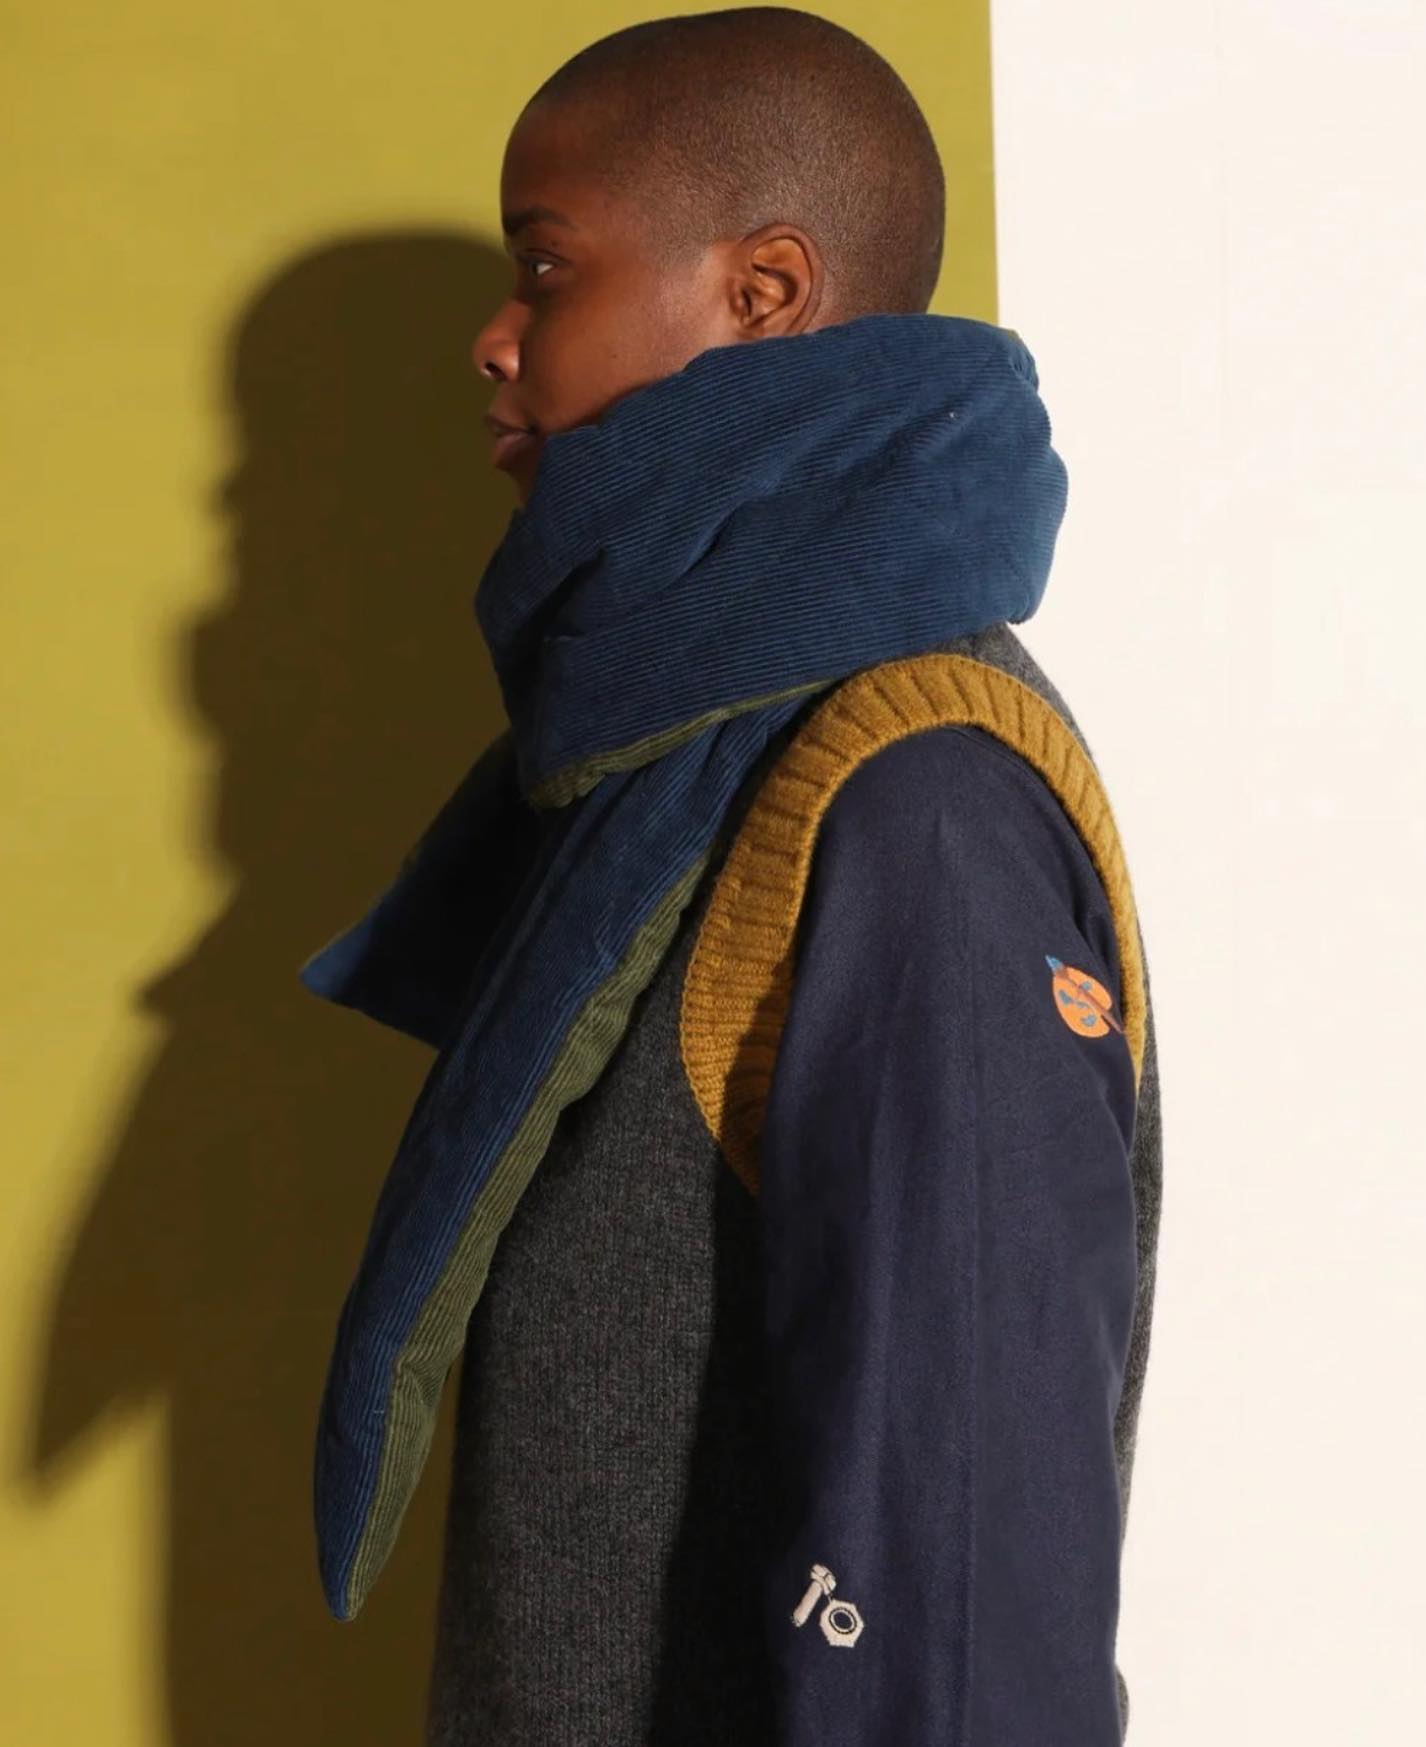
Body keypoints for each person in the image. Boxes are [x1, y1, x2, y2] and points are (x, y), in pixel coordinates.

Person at [297, 10, 1164, 1745]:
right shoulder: (672, 767)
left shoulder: (916, 796)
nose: (493, 338)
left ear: (764, 293)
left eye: (546, 268)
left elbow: (963, 1583)